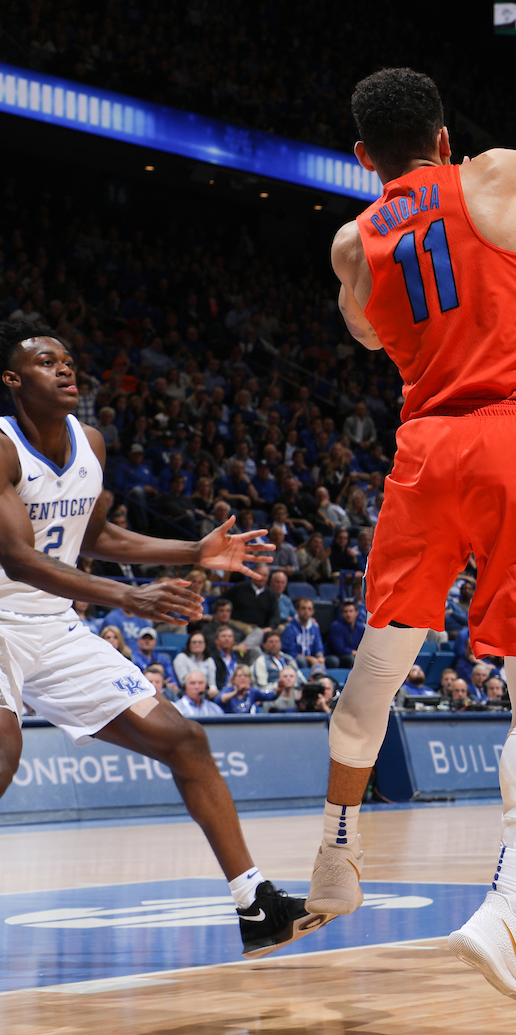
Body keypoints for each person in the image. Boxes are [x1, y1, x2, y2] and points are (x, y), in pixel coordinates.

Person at [304, 66, 516, 1009]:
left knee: (379, 663)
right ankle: (507, 905)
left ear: (364, 156)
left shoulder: (352, 239)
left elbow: (366, 332)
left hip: (425, 446)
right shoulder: (493, 173)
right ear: (442, 138)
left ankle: (335, 853)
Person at [0, 323, 329, 960]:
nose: (65, 369)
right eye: (45, 362)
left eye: (68, 359)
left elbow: (96, 536)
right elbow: (17, 558)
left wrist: (194, 551)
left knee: (184, 739)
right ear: (12, 380)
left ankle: (257, 906)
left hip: (54, 626)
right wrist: (126, 596)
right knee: (3, 753)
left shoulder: (90, 443)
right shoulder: (4, 447)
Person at [281, 598, 325, 670]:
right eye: (303, 608)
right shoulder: (290, 628)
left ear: (313, 611)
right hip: (296, 660)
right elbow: (290, 652)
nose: (306, 611)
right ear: (297, 610)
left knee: (332, 661)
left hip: (312, 659)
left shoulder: (314, 627)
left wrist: (320, 657)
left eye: (309, 609)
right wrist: (309, 659)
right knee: (301, 661)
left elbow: (318, 646)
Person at [327, 600, 365, 668]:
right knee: (351, 659)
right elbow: (340, 649)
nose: (348, 614)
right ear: (342, 613)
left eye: (351, 611)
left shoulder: (361, 628)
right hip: (337, 656)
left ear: (356, 612)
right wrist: (355, 653)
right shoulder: (336, 626)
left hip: (355, 655)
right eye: (345, 611)